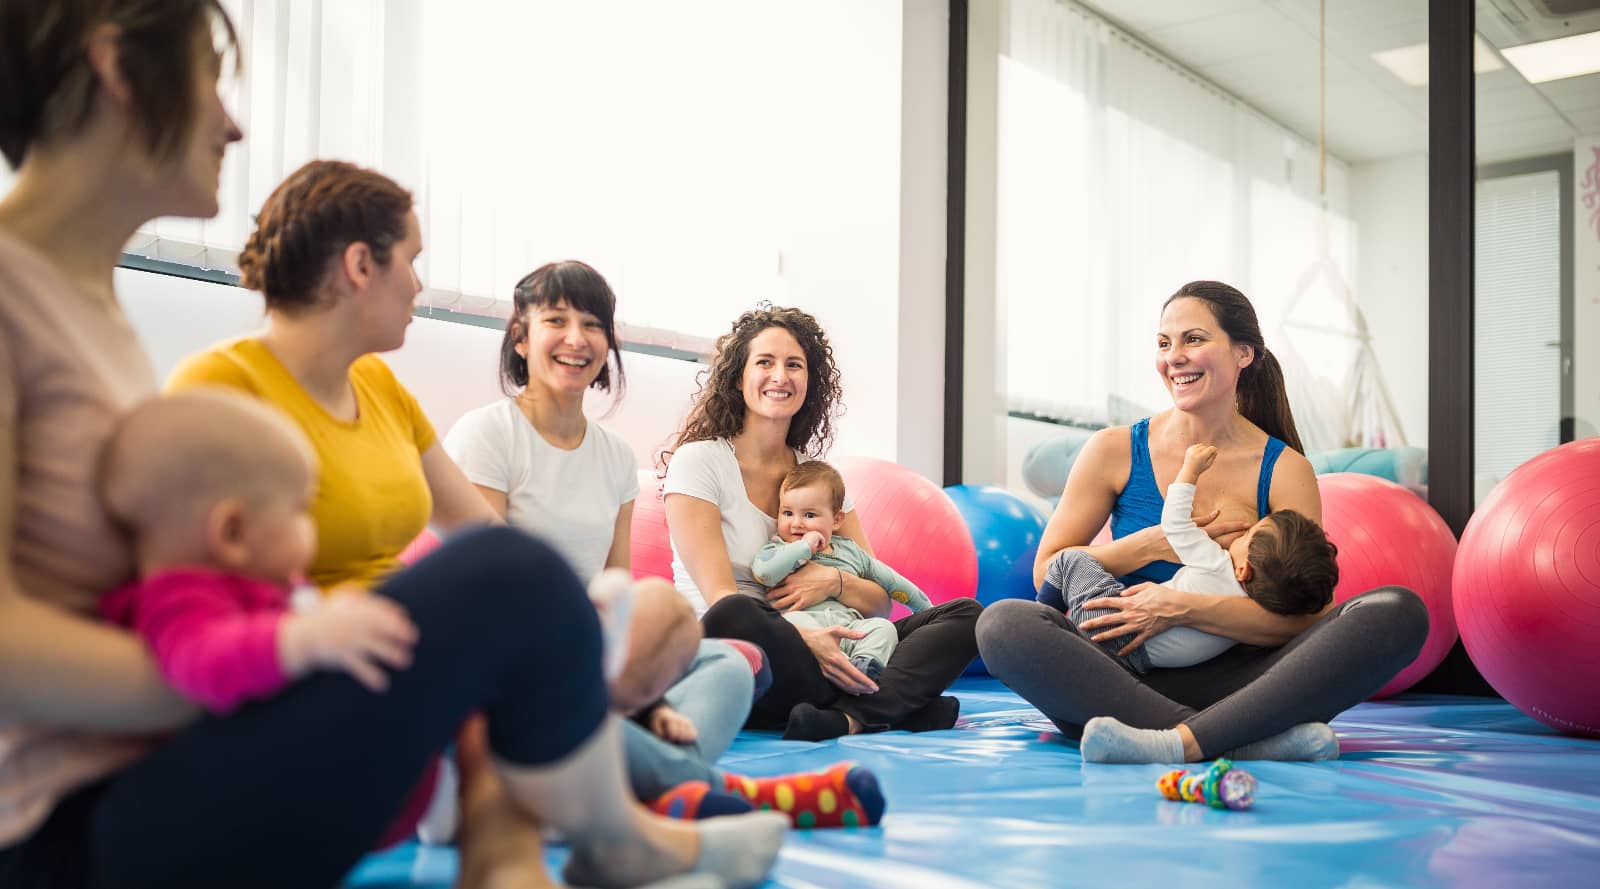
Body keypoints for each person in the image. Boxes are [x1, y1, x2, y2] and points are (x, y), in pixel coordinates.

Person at [0, 5, 785, 880]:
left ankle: (542, 831)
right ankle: (621, 818)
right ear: (116, 68)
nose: (232, 121)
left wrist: (566, 633)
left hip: (232, 705)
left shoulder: (92, 313)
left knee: (609, 623)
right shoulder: (59, 321)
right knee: (513, 584)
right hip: (82, 815)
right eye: (207, 80)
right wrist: (274, 661)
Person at [447, 263, 883, 827]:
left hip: (591, 662)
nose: (577, 339)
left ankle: (646, 779)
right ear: (520, 337)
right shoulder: (487, 434)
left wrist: (640, 694)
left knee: (727, 668)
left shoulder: (610, 456)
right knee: (726, 631)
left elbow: (616, 593)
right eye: (556, 320)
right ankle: (733, 792)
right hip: (517, 665)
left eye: (592, 325)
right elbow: (485, 589)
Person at [975, 281, 1429, 765]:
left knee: (1396, 611)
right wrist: (1151, 546)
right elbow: (1048, 572)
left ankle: (1175, 741)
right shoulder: (1113, 450)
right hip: (1121, 676)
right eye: (1164, 343)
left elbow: (1305, 614)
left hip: (1246, 679)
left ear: (1243, 353)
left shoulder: (1284, 468)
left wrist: (1181, 609)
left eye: (1193, 339)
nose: (1175, 357)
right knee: (1004, 624)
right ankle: (1243, 739)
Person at [663, 306, 982, 742]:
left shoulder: (818, 478)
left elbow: (879, 602)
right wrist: (806, 639)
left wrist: (832, 583)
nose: (781, 376)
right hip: (751, 651)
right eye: (765, 362)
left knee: (966, 616)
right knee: (735, 611)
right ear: (738, 377)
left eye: (794, 365)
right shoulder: (699, 462)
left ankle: (846, 717)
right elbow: (721, 597)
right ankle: (896, 706)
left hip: (842, 640)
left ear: (809, 382)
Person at [1039, 442, 1338, 675]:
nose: (1239, 536)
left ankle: (1037, 619)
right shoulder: (1258, 609)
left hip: (1113, 626)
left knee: (1071, 562)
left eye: (1247, 536)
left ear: (1245, 569)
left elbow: (1175, 525)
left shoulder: (1218, 563)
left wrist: (1190, 472)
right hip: (1143, 662)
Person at [751, 460, 934, 681]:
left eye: (809, 515)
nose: (796, 523)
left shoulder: (851, 552)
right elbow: (764, 572)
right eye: (787, 513)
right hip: (808, 632)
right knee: (790, 624)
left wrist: (926, 612)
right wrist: (804, 547)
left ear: (836, 520)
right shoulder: (778, 548)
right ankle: (844, 670)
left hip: (849, 628)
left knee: (883, 628)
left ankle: (864, 667)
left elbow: (892, 582)